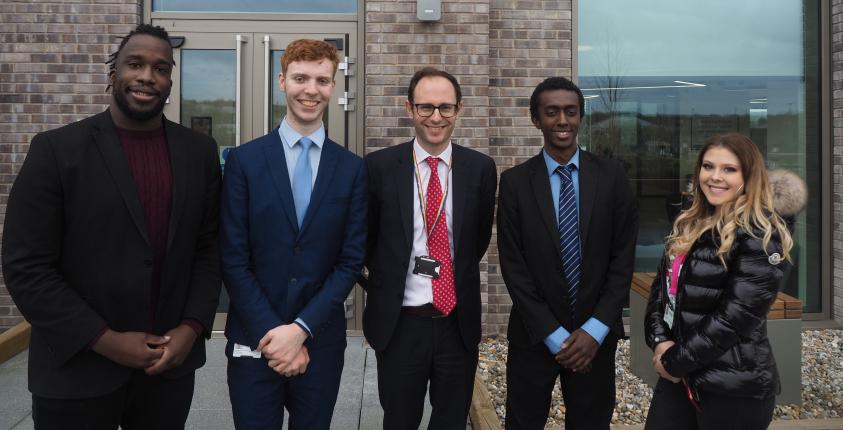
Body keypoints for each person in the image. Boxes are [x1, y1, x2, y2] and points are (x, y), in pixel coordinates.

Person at [1, 24, 221, 429]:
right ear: (113, 74)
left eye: (160, 68)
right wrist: (105, 340)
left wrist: (191, 328)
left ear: (170, 80)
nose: (146, 76)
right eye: (134, 64)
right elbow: (26, 266)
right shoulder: (56, 150)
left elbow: (208, 249)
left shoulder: (199, 152)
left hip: (167, 369)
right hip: (76, 370)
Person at [220, 39, 366, 430]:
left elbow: (350, 261)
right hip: (254, 336)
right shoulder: (244, 161)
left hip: (320, 339)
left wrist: (300, 331)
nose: (311, 90)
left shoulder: (352, 170)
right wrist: (275, 333)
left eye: (322, 80)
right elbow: (233, 258)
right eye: (301, 78)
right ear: (282, 81)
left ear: (333, 88)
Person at [497, 76, 638, 430]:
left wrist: (594, 331)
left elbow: (622, 262)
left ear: (581, 117)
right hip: (534, 337)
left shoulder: (613, 177)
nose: (562, 120)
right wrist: (556, 336)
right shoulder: (514, 183)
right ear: (536, 119)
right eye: (552, 112)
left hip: (596, 340)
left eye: (571, 112)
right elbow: (514, 267)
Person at [361, 67, 497, 429]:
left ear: (459, 109)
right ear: (409, 109)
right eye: (426, 107)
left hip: (457, 322)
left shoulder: (480, 168)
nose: (436, 117)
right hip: (401, 323)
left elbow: (476, 241)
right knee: (400, 419)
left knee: (451, 420)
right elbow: (365, 241)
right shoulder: (378, 167)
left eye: (445, 107)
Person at [643, 133, 798, 430]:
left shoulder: (761, 234)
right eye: (708, 166)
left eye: (729, 169)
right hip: (681, 374)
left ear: (749, 176)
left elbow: (735, 318)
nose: (715, 177)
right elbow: (661, 292)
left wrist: (673, 361)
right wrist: (660, 341)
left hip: (732, 387)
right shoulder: (690, 223)